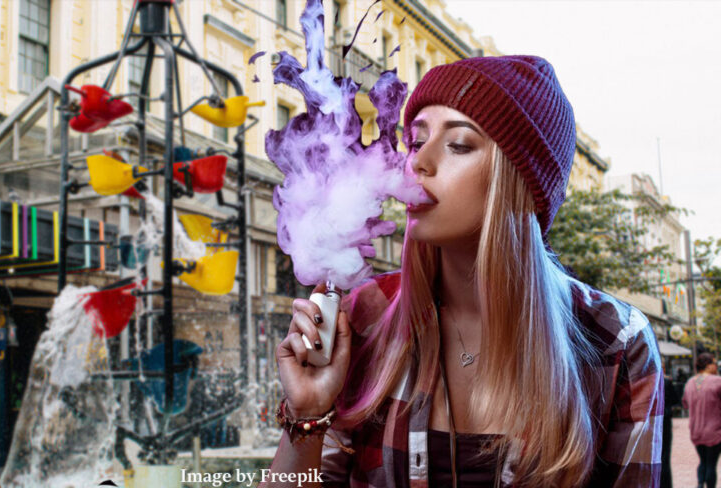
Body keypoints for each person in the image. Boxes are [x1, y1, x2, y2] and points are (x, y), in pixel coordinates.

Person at [262, 56, 663, 488]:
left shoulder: (616, 340)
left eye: (457, 145)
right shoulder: (365, 316)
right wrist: (306, 415)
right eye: (416, 143)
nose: (416, 164)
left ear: (519, 180)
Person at [683, 353, 721, 488]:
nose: (716, 366)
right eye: (714, 363)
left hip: (696, 430)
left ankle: (700, 484)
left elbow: (685, 404)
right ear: (708, 365)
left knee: (703, 461)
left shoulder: (690, 383)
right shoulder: (717, 381)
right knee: (711, 463)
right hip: (714, 431)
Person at [662, 359, 681, 488]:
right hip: (664, 421)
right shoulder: (666, 381)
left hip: (646, 424)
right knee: (664, 456)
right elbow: (675, 401)